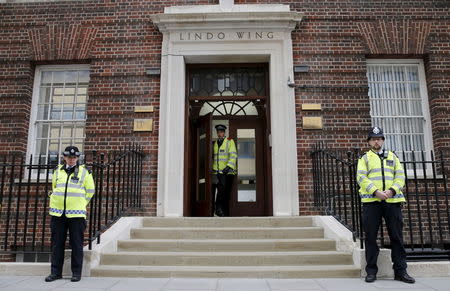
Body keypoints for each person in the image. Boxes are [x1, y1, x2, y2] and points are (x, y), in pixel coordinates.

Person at [357, 127, 415, 284]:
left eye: (379, 138)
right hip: (372, 202)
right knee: (370, 237)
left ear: (383, 140)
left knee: (396, 237)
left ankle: (401, 271)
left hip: (392, 202)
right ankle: (371, 271)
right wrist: (376, 191)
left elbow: (400, 176)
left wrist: (392, 191)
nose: (376, 141)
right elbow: (361, 177)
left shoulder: (393, 156)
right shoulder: (365, 158)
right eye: (373, 138)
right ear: (369, 141)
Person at [45, 146, 95, 283]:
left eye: (74, 157)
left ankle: (76, 273)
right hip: (58, 213)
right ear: (64, 157)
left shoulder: (85, 172)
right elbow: (55, 188)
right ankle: (55, 273)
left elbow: (90, 191)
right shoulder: (57, 171)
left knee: (77, 244)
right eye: (69, 157)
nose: (72, 159)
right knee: (57, 244)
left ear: (78, 158)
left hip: (76, 214)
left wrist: (80, 203)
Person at [212, 124, 237, 217]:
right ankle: (218, 209)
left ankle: (223, 212)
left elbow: (233, 155)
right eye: (218, 132)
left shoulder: (230, 142)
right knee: (221, 190)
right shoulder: (215, 143)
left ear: (224, 133)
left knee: (226, 193)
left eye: (221, 132)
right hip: (218, 172)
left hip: (228, 172)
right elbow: (214, 158)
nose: (219, 133)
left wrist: (229, 166)